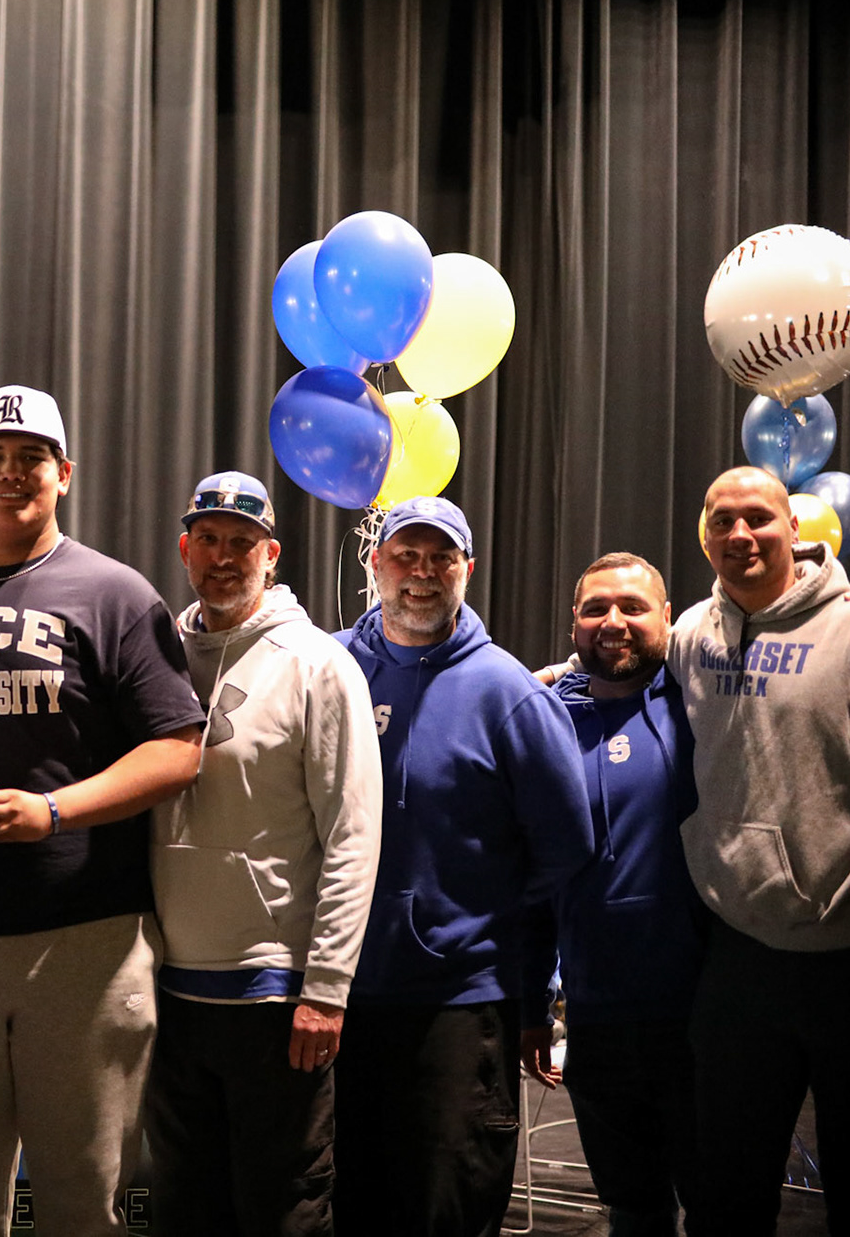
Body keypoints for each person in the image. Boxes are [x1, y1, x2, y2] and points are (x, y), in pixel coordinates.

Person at [0, 385, 204, 1237]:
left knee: (82, 1207)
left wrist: (52, 812)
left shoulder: (116, 594)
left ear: (64, 474)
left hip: (86, 942)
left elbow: (179, 748)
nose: (11, 473)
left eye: (32, 458)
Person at [670, 466, 850, 1232]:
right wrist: (547, 680)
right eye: (722, 520)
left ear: (794, 529)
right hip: (738, 958)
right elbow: (619, 663)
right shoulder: (693, 636)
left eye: (758, 518)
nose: (741, 534)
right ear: (705, 538)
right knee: (727, 1195)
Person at [330, 495, 593, 1237]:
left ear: (466, 570)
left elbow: (565, 845)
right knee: (344, 1206)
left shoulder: (508, 693)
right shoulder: (328, 667)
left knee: (446, 1207)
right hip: (334, 996)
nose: (421, 573)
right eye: (405, 556)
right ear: (375, 564)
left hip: (458, 1003)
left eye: (440, 558)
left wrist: (471, 909)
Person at [144, 472, 381, 1237]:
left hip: (275, 1001)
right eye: (208, 539)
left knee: (284, 1210)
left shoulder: (317, 664)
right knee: (185, 1209)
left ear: (270, 555)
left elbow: (353, 835)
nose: (223, 557)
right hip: (169, 997)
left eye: (242, 543)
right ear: (185, 548)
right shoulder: (156, 656)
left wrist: (327, 990)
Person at [519, 553, 703, 1236]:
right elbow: (536, 879)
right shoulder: (546, 721)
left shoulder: (707, 704)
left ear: (669, 618)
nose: (613, 622)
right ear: (574, 621)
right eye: (595, 608)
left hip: (705, 1017)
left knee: (722, 1207)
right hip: (597, 1021)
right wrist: (533, 1006)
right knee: (633, 1211)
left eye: (632, 607)